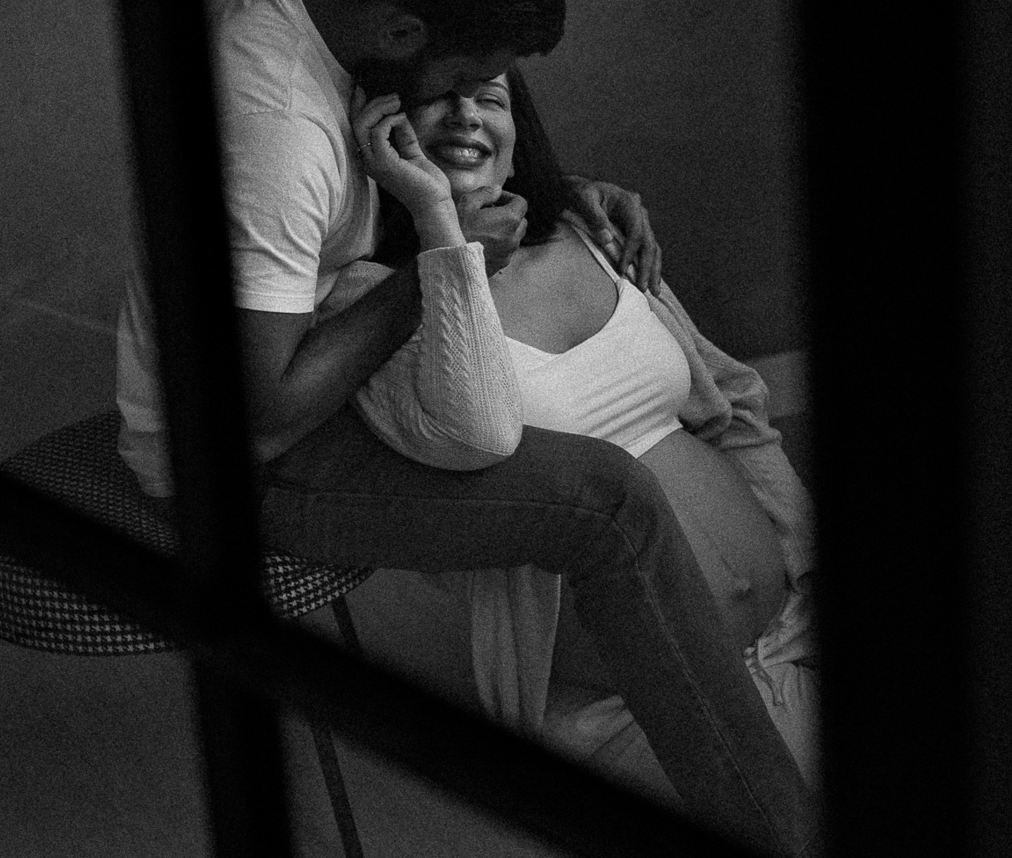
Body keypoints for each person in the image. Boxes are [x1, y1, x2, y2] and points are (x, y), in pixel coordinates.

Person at [116, 0, 819, 858]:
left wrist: (554, 192)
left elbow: (421, 159)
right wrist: (449, 265)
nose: (476, 102)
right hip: (239, 455)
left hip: (314, 356)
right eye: (470, 75)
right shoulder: (273, 125)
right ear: (404, 33)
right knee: (605, 502)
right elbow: (260, 414)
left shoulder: (334, 17)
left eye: (492, 91)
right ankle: (779, 851)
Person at [340, 65, 818, 794]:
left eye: (491, 99)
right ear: (381, 134)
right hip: (640, 707)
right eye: (437, 97)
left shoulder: (588, 235)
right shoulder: (373, 303)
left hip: (789, 623)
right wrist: (441, 225)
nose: (466, 114)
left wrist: (807, 557)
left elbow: (734, 406)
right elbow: (474, 435)